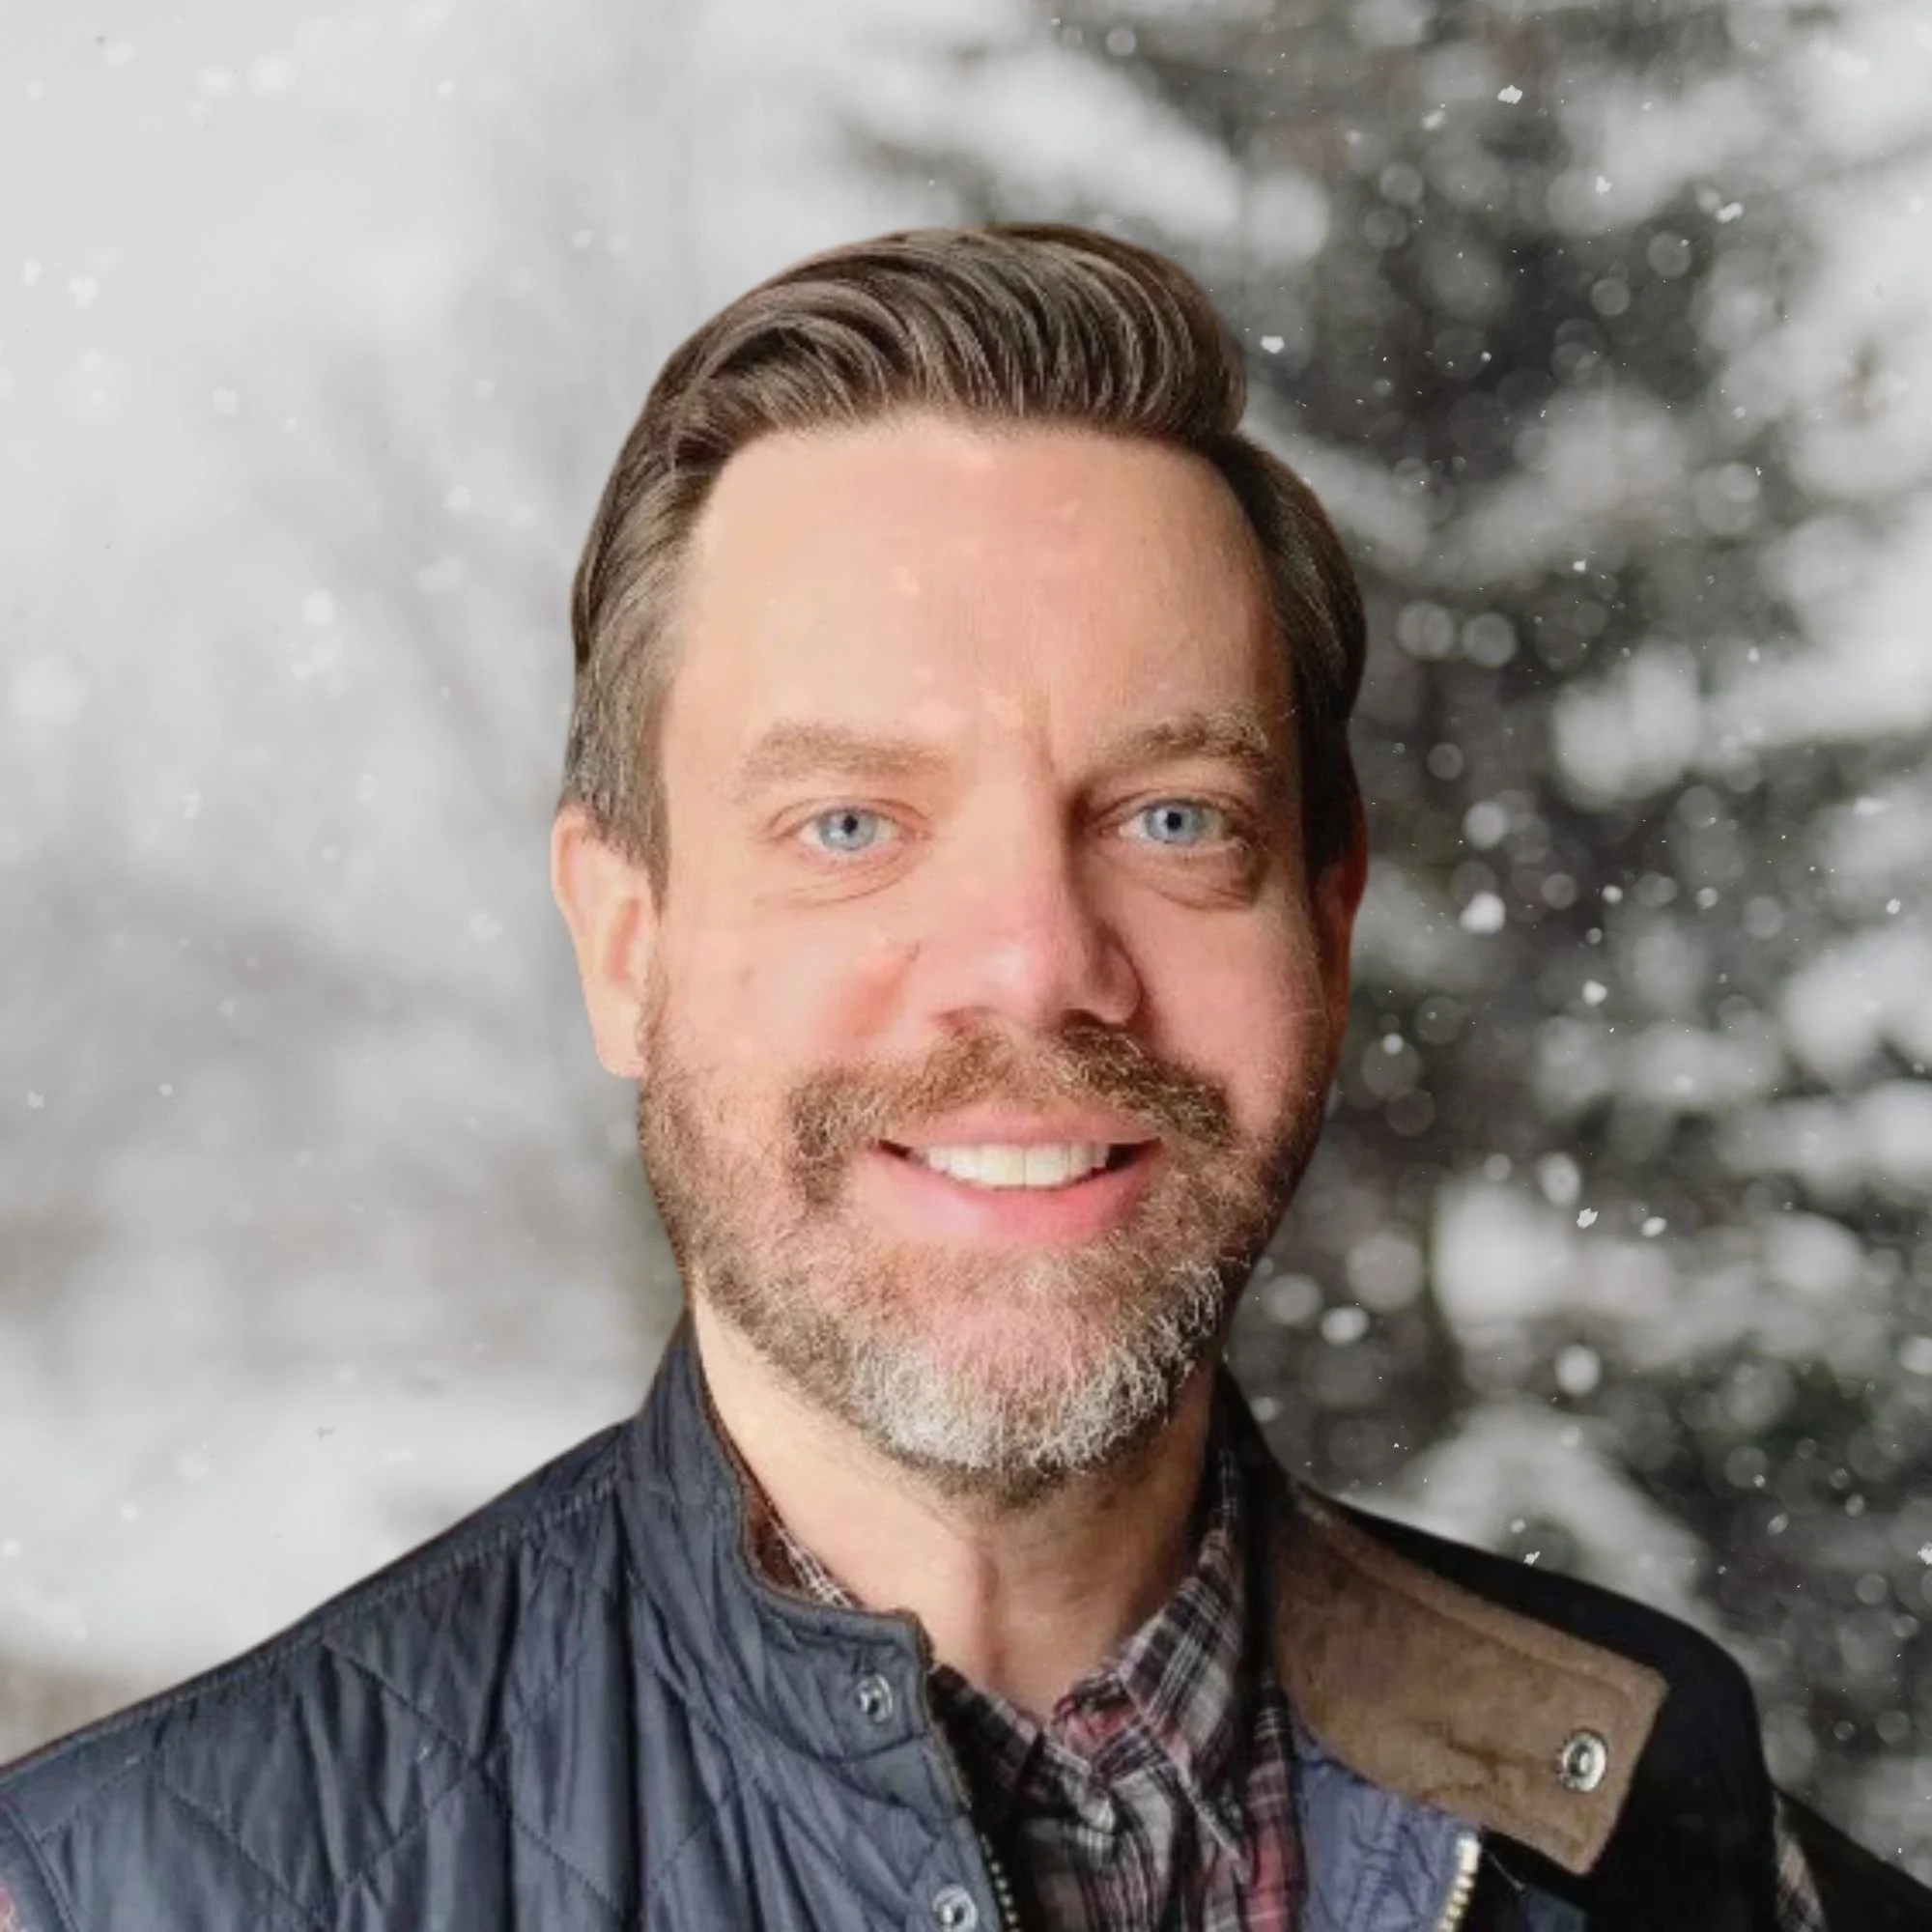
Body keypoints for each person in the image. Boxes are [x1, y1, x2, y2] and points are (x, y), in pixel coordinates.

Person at [0, 225, 1923, 1932]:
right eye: (850, 823)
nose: (1030, 958)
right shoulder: (137, 1891)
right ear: (625, 939)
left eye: (1174, 816)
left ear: (1325, 926)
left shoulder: (1668, 1826)